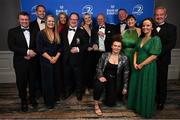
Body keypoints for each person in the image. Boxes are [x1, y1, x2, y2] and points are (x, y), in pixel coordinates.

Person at [128, 18, 162, 118]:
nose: (145, 27)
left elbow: (154, 56)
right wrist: (134, 63)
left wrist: (142, 64)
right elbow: (136, 51)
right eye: (143, 25)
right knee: (136, 86)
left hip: (148, 67)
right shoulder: (140, 38)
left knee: (145, 87)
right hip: (137, 66)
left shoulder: (156, 39)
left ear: (152, 27)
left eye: (148, 25)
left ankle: (144, 109)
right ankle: (136, 107)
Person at [7, 11, 38, 112]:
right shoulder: (12, 31)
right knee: (21, 83)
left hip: (33, 61)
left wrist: (33, 53)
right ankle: (23, 100)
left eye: (26, 19)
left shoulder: (35, 30)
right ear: (19, 20)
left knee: (33, 82)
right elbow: (12, 47)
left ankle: (32, 98)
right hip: (20, 62)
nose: (24, 21)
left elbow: (39, 45)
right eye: (22, 19)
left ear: (29, 20)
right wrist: (27, 52)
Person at [93, 34, 129, 116]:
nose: (116, 48)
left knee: (110, 103)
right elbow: (98, 67)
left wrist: (125, 87)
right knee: (98, 85)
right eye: (115, 45)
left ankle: (107, 96)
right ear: (112, 46)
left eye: (119, 46)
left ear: (121, 48)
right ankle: (96, 105)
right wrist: (100, 76)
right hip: (104, 77)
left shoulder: (124, 58)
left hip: (115, 80)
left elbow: (126, 73)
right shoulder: (105, 55)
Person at [61, 12, 88, 101]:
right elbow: (61, 44)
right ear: (69, 20)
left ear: (78, 20)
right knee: (66, 77)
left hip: (77, 59)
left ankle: (79, 93)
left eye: (75, 19)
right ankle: (67, 92)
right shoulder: (63, 30)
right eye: (72, 19)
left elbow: (86, 44)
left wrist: (78, 49)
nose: (73, 21)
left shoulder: (82, 31)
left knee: (78, 77)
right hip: (66, 59)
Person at [36, 15, 61, 110]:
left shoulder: (57, 33)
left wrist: (56, 57)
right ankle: (49, 102)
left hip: (56, 61)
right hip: (46, 62)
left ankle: (55, 98)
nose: (51, 23)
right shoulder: (41, 34)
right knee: (48, 82)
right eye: (49, 21)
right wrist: (50, 58)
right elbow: (40, 49)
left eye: (53, 21)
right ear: (46, 22)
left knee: (55, 80)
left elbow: (60, 47)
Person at [154, 6, 177, 110]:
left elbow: (171, 44)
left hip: (163, 60)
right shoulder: (150, 26)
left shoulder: (172, 28)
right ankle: (153, 98)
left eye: (161, 15)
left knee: (162, 82)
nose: (159, 17)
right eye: (157, 15)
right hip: (150, 60)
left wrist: (157, 54)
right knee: (153, 80)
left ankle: (161, 101)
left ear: (165, 16)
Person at [30, 4, 46, 97]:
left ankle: (46, 91)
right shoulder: (31, 25)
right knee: (36, 74)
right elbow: (31, 41)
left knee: (46, 74)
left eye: (43, 11)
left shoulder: (50, 23)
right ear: (36, 12)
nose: (42, 13)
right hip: (36, 54)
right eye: (40, 11)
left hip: (48, 54)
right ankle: (38, 92)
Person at [80, 13, 97, 95]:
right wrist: (87, 47)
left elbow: (94, 40)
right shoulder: (81, 29)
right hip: (84, 53)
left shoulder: (93, 29)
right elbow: (79, 42)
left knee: (92, 70)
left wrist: (95, 44)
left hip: (93, 53)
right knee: (85, 71)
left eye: (89, 17)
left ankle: (91, 86)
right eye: (86, 18)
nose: (88, 19)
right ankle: (85, 87)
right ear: (83, 20)